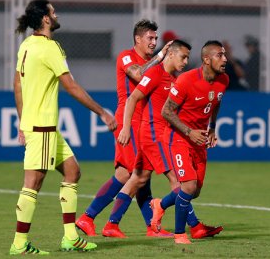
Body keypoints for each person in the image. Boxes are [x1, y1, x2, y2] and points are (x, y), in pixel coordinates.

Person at [10, 0, 117, 255]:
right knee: (33, 182)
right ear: (46, 19)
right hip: (43, 127)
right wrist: (101, 111)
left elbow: (17, 85)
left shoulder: (26, 45)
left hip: (39, 126)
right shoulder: (50, 47)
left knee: (72, 171)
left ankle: (70, 237)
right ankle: (19, 243)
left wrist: (22, 123)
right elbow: (71, 86)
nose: (56, 15)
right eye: (53, 11)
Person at [75, 19, 172, 238]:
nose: (154, 42)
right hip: (129, 121)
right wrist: (159, 58)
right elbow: (138, 74)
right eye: (150, 38)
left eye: (156, 38)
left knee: (140, 174)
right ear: (137, 39)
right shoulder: (126, 56)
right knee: (131, 174)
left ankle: (148, 226)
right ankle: (94, 219)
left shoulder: (156, 63)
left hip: (143, 122)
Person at [104, 40, 191, 238]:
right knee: (178, 181)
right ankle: (189, 226)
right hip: (153, 135)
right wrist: (125, 128)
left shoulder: (173, 78)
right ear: (170, 54)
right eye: (182, 57)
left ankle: (111, 224)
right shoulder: (155, 72)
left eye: (187, 58)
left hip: (158, 134)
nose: (186, 61)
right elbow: (132, 98)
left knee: (138, 178)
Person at [160, 40, 229, 244]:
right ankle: (180, 234)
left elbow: (216, 101)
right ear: (206, 59)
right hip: (179, 137)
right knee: (188, 187)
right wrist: (189, 132)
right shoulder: (186, 80)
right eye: (219, 55)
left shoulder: (224, 80)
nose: (225, 59)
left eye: (224, 54)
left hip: (198, 139)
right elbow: (166, 111)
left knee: (194, 192)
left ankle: (159, 205)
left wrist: (212, 128)